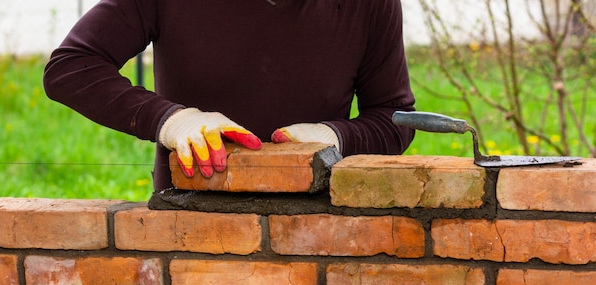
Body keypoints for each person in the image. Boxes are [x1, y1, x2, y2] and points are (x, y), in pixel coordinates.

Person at [44, 0, 416, 192]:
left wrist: (334, 137)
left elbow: (394, 117)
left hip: (317, 237)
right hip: (186, 229)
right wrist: (172, 121)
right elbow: (72, 66)